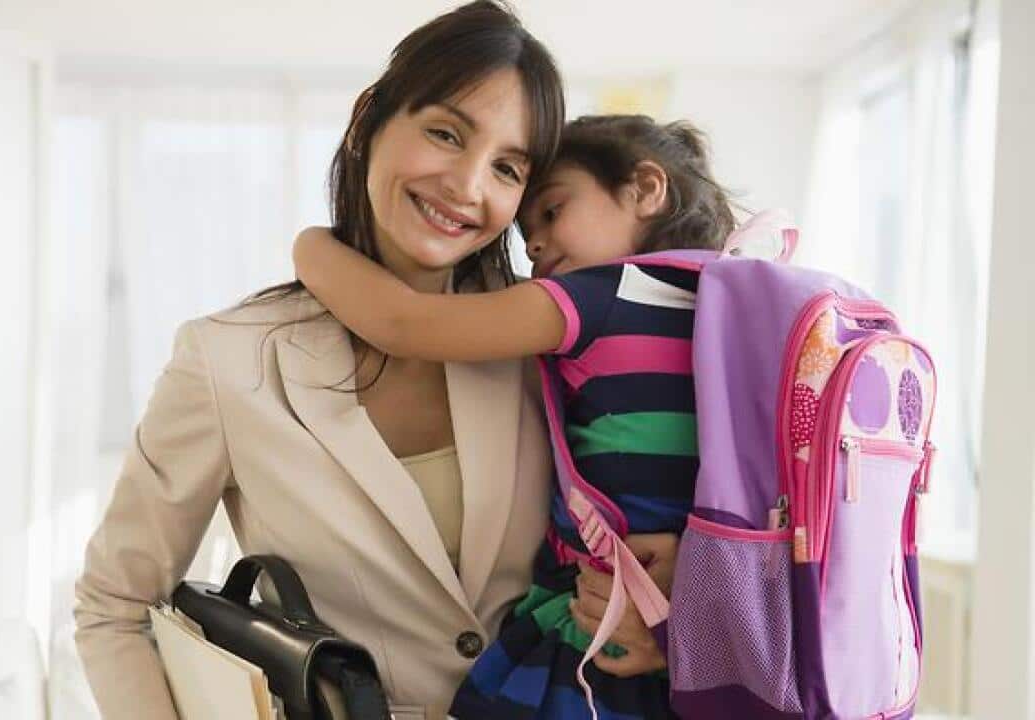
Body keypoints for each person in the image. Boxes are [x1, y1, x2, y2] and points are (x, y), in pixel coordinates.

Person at [73, 3, 570, 719]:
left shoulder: (542, 348)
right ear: (370, 116)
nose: (468, 186)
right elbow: (114, 604)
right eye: (444, 133)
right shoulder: (230, 358)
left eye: (507, 167)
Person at [292, 114, 738, 719]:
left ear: (645, 189)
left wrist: (310, 246)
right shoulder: (731, 297)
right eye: (526, 231)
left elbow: (405, 324)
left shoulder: (597, 297)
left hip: (595, 638)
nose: (534, 245)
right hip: (714, 637)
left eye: (552, 212)